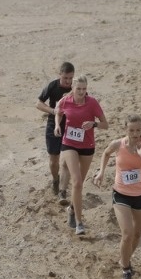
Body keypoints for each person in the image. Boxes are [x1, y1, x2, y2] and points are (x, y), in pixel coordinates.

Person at [93, 115, 141, 279]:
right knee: (127, 233)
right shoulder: (118, 144)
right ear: (125, 129)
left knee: (137, 235)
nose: (135, 134)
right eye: (131, 130)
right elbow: (106, 153)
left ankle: (125, 259)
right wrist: (101, 172)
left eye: (138, 130)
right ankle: (126, 270)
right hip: (121, 194)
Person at [54, 75, 107, 235]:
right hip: (69, 143)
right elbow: (59, 112)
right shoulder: (65, 101)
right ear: (73, 88)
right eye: (79, 89)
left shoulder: (92, 103)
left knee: (80, 184)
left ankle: (71, 208)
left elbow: (106, 124)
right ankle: (79, 222)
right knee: (76, 182)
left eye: (84, 89)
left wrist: (94, 124)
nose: (82, 92)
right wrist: (57, 125)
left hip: (87, 146)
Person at [35, 62, 74, 205]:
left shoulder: (75, 87)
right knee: (54, 160)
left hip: (71, 128)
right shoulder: (52, 86)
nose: (68, 81)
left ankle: (63, 191)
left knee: (67, 160)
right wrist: (53, 111)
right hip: (53, 125)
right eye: (65, 78)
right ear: (60, 75)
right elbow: (38, 103)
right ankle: (55, 180)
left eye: (71, 78)